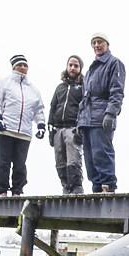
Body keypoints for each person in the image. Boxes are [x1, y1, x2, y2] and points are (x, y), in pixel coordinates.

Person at [0, 54, 46, 196]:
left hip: (24, 133)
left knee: (20, 164)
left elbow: (38, 109)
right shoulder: (4, 82)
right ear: (13, 66)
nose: (22, 67)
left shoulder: (33, 89)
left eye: (25, 65)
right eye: (19, 65)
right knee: (3, 162)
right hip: (6, 129)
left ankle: (18, 190)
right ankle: (1, 190)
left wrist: (41, 125)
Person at [77, 33, 126, 193]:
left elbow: (117, 91)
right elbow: (84, 96)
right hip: (87, 116)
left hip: (102, 114)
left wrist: (111, 113)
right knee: (89, 156)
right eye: (94, 43)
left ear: (107, 44)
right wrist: (80, 121)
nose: (97, 45)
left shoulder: (114, 63)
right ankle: (96, 187)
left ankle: (108, 185)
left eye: (100, 42)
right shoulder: (92, 67)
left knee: (102, 152)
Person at [47, 55, 85, 194]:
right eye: (70, 65)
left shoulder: (82, 87)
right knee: (60, 160)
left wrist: (81, 128)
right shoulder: (60, 88)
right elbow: (53, 107)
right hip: (58, 128)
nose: (73, 68)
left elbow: (84, 108)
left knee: (73, 159)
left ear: (80, 68)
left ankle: (76, 187)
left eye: (76, 66)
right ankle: (65, 186)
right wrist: (50, 127)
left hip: (72, 128)